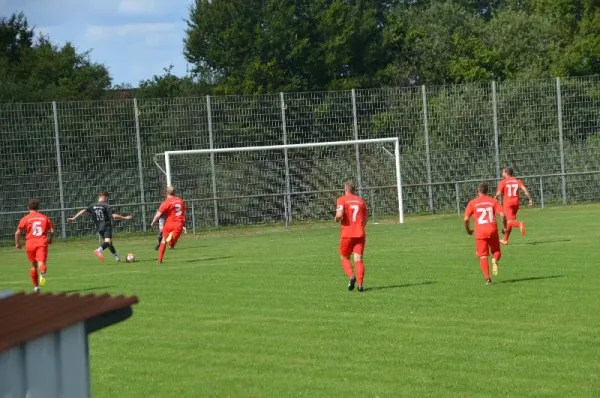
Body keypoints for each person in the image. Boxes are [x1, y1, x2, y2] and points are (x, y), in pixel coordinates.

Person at [67, 191, 132, 262]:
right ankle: (98, 250)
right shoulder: (106, 205)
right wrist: (125, 218)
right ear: (106, 197)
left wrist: (73, 218)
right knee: (108, 242)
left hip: (99, 228)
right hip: (106, 226)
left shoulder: (92, 205)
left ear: (99, 197)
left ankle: (116, 256)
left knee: (109, 243)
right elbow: (114, 216)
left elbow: (83, 211)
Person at [464, 182, 507, 284]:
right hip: (492, 230)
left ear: (477, 191)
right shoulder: (493, 201)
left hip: (480, 232)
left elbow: (466, 219)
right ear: (487, 191)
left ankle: (488, 279)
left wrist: (468, 230)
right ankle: (494, 260)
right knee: (496, 251)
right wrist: (504, 227)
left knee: (483, 256)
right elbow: (502, 215)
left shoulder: (472, 203)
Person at [15, 199, 54, 293]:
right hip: (42, 243)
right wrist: (50, 239)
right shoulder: (44, 218)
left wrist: (18, 243)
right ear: (38, 207)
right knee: (41, 263)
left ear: (28, 207)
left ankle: (36, 287)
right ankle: (43, 273)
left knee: (33, 266)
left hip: (30, 244)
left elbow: (17, 233)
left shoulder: (25, 218)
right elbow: (52, 231)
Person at [335, 181, 368, 292]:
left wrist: (336, 218)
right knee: (358, 259)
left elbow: (339, 215)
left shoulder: (342, 200)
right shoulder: (361, 201)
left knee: (344, 257)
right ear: (354, 190)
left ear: (345, 190)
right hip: (360, 233)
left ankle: (351, 276)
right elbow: (365, 219)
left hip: (347, 234)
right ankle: (360, 285)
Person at [494, 167, 533, 245]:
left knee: (509, 221)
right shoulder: (517, 181)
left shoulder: (503, 182)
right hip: (516, 203)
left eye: (503, 172)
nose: (502, 174)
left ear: (506, 173)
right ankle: (505, 239)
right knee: (510, 221)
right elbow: (524, 189)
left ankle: (519, 224)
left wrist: (495, 198)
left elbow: (498, 193)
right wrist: (530, 199)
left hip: (507, 203)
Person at [151, 186, 186, 264]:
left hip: (169, 224)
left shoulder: (166, 202)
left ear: (166, 193)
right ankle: (171, 241)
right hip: (178, 224)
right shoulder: (180, 201)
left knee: (163, 240)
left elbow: (158, 215)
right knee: (172, 243)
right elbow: (183, 212)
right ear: (175, 192)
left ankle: (159, 260)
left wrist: (153, 222)